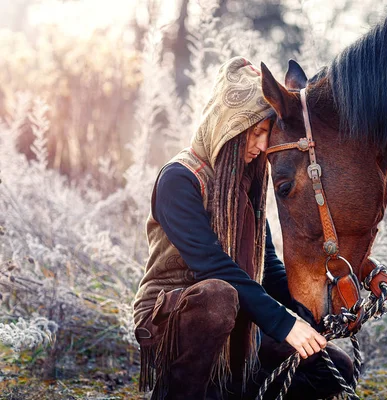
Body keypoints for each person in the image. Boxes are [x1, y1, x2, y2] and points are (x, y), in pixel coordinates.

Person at [132, 57, 352, 400]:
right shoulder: (179, 179)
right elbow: (213, 267)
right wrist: (283, 324)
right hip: (178, 316)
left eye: (267, 134)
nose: (262, 146)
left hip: (238, 321)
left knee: (336, 369)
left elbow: (268, 266)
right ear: (229, 126)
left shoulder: (245, 184)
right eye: (257, 132)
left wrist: (307, 316)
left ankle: (236, 390)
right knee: (218, 295)